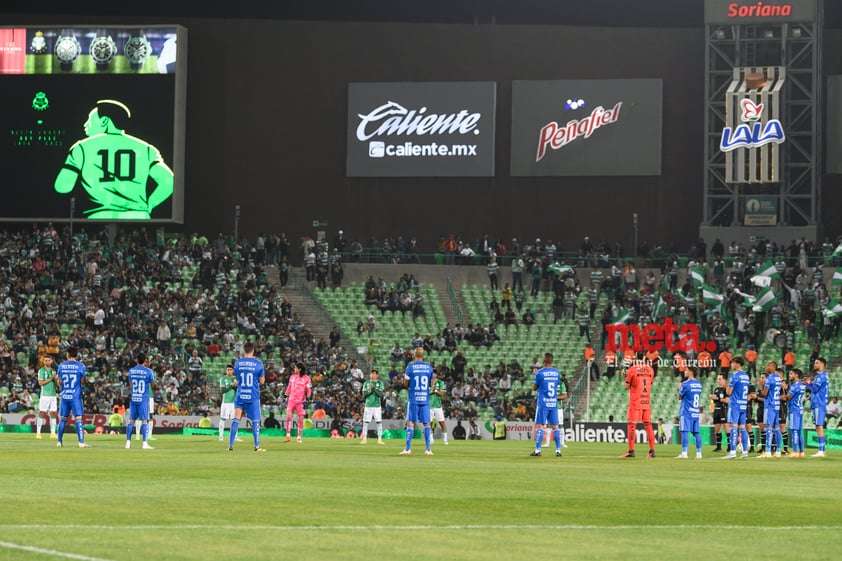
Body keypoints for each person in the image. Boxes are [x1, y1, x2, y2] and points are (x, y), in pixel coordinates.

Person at [53, 99, 174, 219]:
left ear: (104, 121)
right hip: (138, 216)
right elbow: (169, 181)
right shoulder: (146, 149)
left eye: (90, 119)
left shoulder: (81, 147)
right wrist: (150, 205)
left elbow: (63, 187)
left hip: (99, 216)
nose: (85, 124)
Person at [228, 341, 266, 452]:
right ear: (253, 350)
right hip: (253, 396)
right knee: (255, 422)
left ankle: (230, 445)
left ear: (244, 351)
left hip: (240, 395)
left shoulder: (237, 363)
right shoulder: (258, 364)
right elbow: (262, 381)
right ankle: (257, 446)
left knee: (236, 419)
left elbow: (237, 377)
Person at [400, 347, 434, 456]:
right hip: (424, 398)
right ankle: (428, 450)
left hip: (414, 398)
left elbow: (405, 384)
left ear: (415, 355)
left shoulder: (410, 367)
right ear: (423, 355)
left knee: (410, 422)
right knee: (426, 423)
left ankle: (408, 449)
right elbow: (431, 383)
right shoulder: (429, 368)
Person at [55, 347, 91, 448]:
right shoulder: (80, 366)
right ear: (76, 355)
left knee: (62, 419)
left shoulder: (61, 366)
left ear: (67, 354)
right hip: (75, 396)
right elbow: (83, 382)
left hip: (65, 395)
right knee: (78, 418)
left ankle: (59, 441)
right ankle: (81, 442)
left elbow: (60, 381)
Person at [530, 352, 564, 457]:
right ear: (552, 361)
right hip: (553, 403)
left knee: (540, 426)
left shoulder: (540, 373)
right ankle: (558, 450)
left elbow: (535, 387)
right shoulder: (557, 373)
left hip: (543, 403)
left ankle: (537, 450)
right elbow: (556, 385)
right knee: (555, 427)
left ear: (544, 360)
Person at [621, 354, 655, 458]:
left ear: (635, 357)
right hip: (646, 401)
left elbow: (626, 386)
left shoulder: (632, 369)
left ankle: (631, 451)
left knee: (632, 425)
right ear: (644, 358)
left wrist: (624, 376)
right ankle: (651, 451)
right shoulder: (650, 369)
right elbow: (650, 384)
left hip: (636, 401)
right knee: (648, 425)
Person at [125, 353, 155, 450]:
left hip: (134, 398)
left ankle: (128, 442)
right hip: (143, 398)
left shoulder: (131, 371)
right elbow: (153, 385)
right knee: (145, 420)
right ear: (145, 361)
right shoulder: (149, 372)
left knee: (131, 421)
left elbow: (130, 385)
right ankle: (144, 443)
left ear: (136, 360)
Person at [724, 356, 750, 459]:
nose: (731, 365)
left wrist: (727, 385)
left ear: (738, 364)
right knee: (743, 428)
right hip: (743, 404)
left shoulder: (735, 376)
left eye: (733, 363)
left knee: (733, 427)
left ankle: (733, 452)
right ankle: (745, 452)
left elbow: (728, 392)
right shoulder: (746, 376)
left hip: (735, 404)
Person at [676, 366, 703, 459]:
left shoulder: (686, 384)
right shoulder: (699, 384)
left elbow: (680, 397)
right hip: (695, 411)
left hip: (686, 411)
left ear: (691, 372)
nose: (685, 371)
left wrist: (679, 388)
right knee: (696, 433)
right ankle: (699, 454)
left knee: (684, 431)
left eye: (687, 370)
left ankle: (684, 453)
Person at [805, 357, 829, 457]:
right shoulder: (820, 376)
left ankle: (821, 451)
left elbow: (814, 390)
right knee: (818, 427)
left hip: (819, 404)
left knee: (819, 427)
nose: (815, 364)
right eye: (815, 363)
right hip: (817, 404)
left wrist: (807, 384)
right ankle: (822, 450)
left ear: (822, 365)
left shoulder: (821, 376)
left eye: (817, 363)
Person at [284, 362, 312, 443]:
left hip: (301, 401)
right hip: (291, 400)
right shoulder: (292, 377)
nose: (294, 369)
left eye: (295, 368)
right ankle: (288, 436)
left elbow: (309, 390)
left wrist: (308, 399)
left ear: (299, 369)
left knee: (300, 420)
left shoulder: (307, 378)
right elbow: (289, 387)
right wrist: (285, 395)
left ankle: (299, 437)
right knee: (289, 417)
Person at [760, 367, 784, 458]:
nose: (766, 367)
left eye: (768, 365)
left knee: (768, 427)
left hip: (769, 405)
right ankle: (778, 451)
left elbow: (764, 394)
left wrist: (762, 385)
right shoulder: (778, 378)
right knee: (777, 428)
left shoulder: (769, 379)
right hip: (777, 404)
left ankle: (768, 451)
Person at [783, 368, 806, 458]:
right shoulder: (802, 385)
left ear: (796, 375)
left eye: (791, 374)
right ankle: (802, 452)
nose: (789, 375)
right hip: (800, 409)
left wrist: (784, 389)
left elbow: (787, 398)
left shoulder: (794, 386)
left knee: (794, 430)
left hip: (794, 410)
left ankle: (795, 452)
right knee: (799, 431)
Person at [360, 368, 385, 444]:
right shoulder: (366, 383)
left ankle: (380, 439)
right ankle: (364, 439)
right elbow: (364, 395)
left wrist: (373, 388)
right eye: (371, 373)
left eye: (374, 373)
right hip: (368, 405)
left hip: (377, 406)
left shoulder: (380, 383)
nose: (372, 375)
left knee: (379, 422)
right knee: (365, 422)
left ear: (377, 375)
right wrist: (371, 390)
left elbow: (380, 394)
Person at [35, 355, 58, 439]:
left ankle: (52, 433)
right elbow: (40, 383)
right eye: (45, 360)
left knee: (53, 413)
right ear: (43, 362)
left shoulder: (54, 371)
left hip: (53, 395)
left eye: (48, 360)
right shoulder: (41, 371)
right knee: (42, 412)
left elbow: (56, 385)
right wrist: (51, 378)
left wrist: (57, 381)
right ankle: (38, 433)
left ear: (51, 361)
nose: (47, 362)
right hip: (45, 395)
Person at [218, 364, 241, 442]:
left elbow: (238, 390)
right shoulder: (223, 379)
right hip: (226, 402)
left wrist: (236, 386)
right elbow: (223, 390)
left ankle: (235, 436)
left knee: (234, 420)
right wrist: (232, 385)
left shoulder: (236, 379)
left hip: (234, 403)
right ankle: (221, 436)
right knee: (223, 419)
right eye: (228, 370)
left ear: (233, 371)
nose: (229, 371)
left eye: (231, 370)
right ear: (226, 371)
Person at [709, 373, 729, 452]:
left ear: (724, 380)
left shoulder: (727, 389)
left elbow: (727, 401)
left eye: (720, 379)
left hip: (723, 409)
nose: (718, 381)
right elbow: (713, 401)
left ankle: (730, 446)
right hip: (716, 410)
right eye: (718, 379)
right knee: (717, 429)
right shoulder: (716, 389)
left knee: (726, 428)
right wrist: (712, 404)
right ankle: (718, 447)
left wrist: (716, 398)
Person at [429, 369, 449, 446]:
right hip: (429, 405)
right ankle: (431, 439)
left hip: (437, 405)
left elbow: (442, 394)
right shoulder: (426, 382)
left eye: (434, 373)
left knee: (442, 422)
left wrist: (435, 391)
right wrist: (431, 392)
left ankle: (445, 440)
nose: (433, 375)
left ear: (436, 374)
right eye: (432, 374)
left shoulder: (440, 382)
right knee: (428, 423)